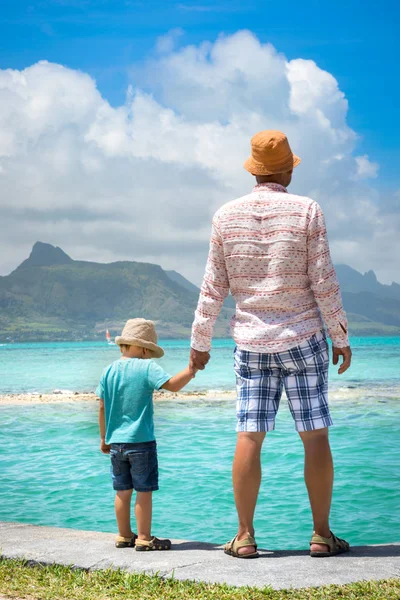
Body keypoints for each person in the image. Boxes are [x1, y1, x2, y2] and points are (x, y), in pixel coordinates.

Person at [190, 130, 352, 559]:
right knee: (314, 437)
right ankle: (321, 535)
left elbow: (213, 286)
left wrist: (199, 342)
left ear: (255, 169)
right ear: (287, 169)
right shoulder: (307, 211)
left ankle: (244, 536)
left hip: (252, 344)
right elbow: (323, 280)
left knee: (250, 435)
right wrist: (340, 335)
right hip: (303, 338)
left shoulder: (225, 216)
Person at [97, 318, 195, 551]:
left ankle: (123, 535)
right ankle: (144, 537)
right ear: (142, 348)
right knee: (144, 491)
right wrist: (191, 370)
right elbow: (171, 385)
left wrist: (104, 438)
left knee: (122, 491)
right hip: (141, 442)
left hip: (116, 443)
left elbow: (101, 406)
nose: (149, 355)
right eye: (149, 351)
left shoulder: (108, 370)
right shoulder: (147, 367)